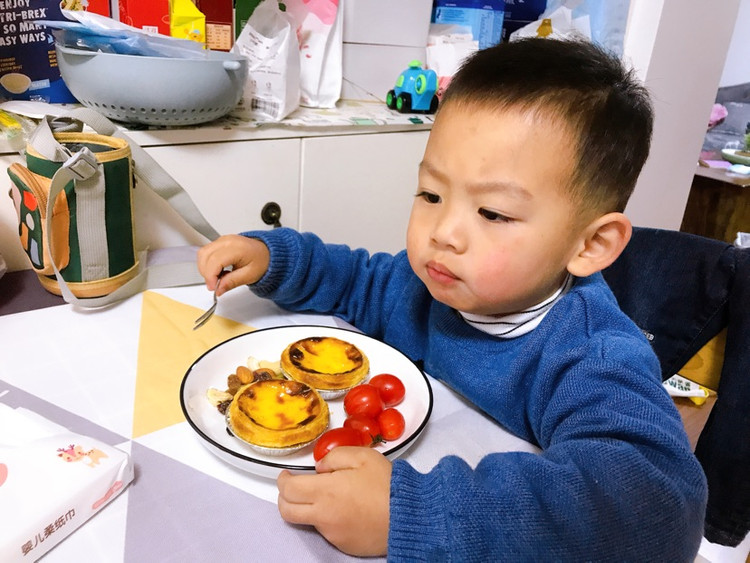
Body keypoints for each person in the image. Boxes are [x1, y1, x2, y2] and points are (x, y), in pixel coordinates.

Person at [197, 37, 708, 560]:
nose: (443, 232)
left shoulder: (593, 357)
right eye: (431, 195)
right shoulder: (426, 288)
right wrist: (276, 259)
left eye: (492, 213)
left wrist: (416, 512)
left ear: (590, 245)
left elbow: (657, 510)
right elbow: (357, 279)